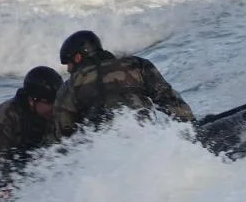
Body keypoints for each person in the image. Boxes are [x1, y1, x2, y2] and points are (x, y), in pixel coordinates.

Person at [52, 30, 195, 138]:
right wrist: (191, 129)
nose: (69, 69)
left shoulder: (69, 86)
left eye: (68, 63)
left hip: (102, 149)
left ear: (78, 58)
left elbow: (65, 136)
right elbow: (169, 100)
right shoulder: (136, 64)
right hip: (146, 138)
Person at [0, 66, 64, 197]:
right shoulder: (5, 114)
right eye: (50, 103)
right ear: (32, 100)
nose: (55, 108)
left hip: (39, 172)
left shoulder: (57, 113)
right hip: (6, 176)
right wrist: (7, 183)